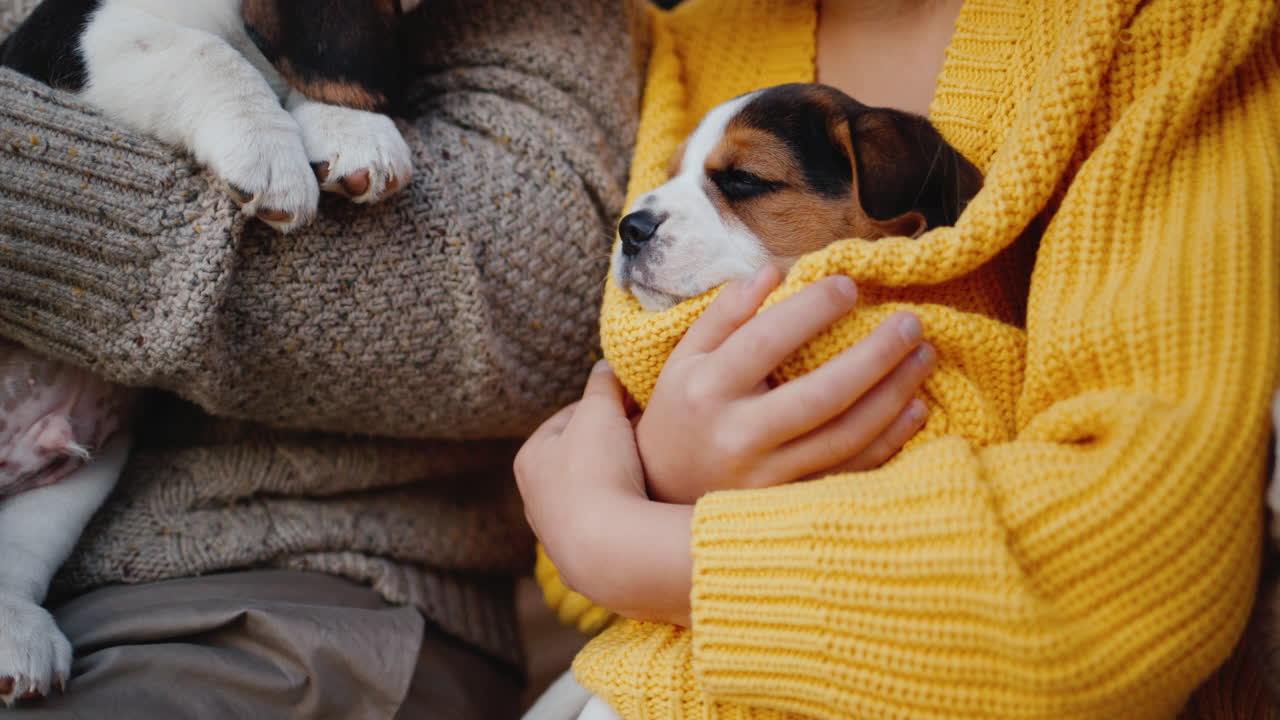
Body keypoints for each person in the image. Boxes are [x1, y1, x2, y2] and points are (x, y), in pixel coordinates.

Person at [517, 0, 1280, 717]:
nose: (642, 219)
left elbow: (1141, 561)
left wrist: (630, 542)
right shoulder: (685, 44)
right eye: (669, 183)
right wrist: (657, 467)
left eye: (741, 183)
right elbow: (575, 575)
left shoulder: (1164, 28)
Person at [0, 0, 647, 717]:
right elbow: (93, 47)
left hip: (289, 582)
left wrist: (318, 108)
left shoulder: (548, 27)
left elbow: (536, 289)